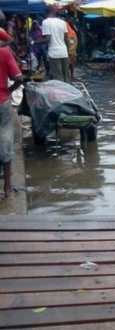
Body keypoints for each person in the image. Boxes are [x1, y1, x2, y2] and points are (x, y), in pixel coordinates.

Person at [0, 10, 24, 199]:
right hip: (2, 101)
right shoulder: (5, 52)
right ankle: (8, 189)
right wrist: (9, 90)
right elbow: (19, 77)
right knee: (6, 141)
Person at [34, 5, 69, 82]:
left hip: (54, 53)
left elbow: (47, 40)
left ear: (45, 12)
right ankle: (67, 92)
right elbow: (67, 39)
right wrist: (67, 52)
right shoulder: (63, 22)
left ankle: (62, 93)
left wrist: (33, 42)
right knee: (65, 77)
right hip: (64, 52)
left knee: (58, 78)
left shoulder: (46, 22)